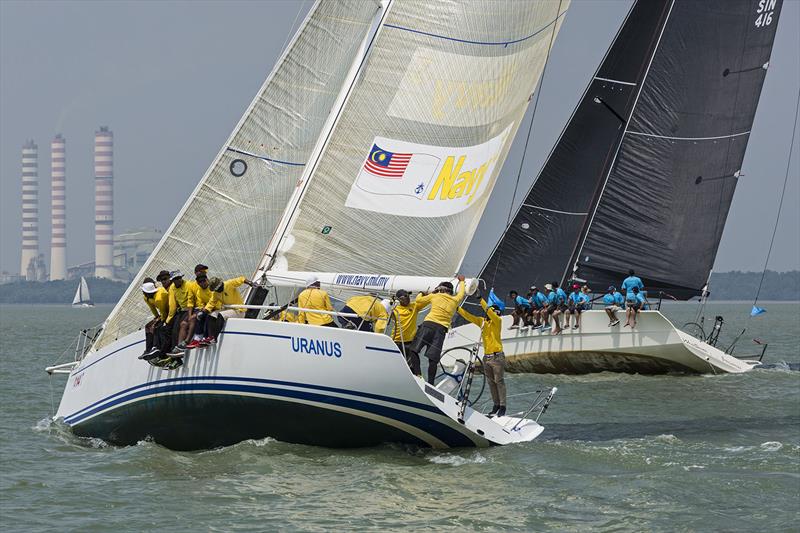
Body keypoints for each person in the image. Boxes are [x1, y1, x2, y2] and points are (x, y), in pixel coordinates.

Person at [457, 295, 506, 417]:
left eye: (491, 311)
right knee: (491, 382)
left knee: (499, 381)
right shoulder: (483, 322)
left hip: (497, 357)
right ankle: (496, 405)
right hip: (487, 357)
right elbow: (469, 316)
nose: (488, 313)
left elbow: (490, 312)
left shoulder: (498, 321)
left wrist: (480, 299)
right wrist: (457, 308)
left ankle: (503, 406)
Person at [413, 275, 466, 384]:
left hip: (428, 325)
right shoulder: (456, 300)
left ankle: (418, 374)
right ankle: (431, 383)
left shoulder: (435, 296)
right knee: (433, 359)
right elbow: (461, 293)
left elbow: (418, 301)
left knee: (413, 350)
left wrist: (423, 293)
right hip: (441, 330)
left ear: (441, 289)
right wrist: (462, 281)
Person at [203, 275, 256, 343]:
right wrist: (203, 312)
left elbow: (241, 279)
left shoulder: (229, 284)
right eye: (216, 289)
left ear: (221, 283)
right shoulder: (216, 293)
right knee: (211, 315)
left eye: (219, 287)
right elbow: (211, 303)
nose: (218, 290)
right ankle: (210, 337)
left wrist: (250, 283)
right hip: (228, 310)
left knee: (221, 315)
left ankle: (214, 338)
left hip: (239, 310)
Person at [391, 289, 425, 376]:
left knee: (415, 366)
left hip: (411, 342)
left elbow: (427, 300)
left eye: (408, 296)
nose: (408, 298)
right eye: (405, 296)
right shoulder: (395, 310)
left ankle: (418, 378)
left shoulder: (414, 306)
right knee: (397, 367)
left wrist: (422, 294)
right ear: (399, 299)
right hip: (397, 342)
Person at [140, 277, 170, 360]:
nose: (142, 292)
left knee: (156, 327)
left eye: (144, 291)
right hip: (163, 313)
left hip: (169, 312)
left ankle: (156, 347)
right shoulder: (146, 297)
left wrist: (160, 319)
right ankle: (148, 349)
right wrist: (156, 317)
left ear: (148, 292)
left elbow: (164, 312)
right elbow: (152, 308)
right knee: (148, 326)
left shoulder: (158, 298)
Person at [165, 271, 191, 356]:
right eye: (176, 279)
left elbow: (193, 301)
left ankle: (180, 348)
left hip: (191, 309)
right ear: (172, 281)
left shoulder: (189, 285)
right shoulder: (172, 287)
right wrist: (168, 319)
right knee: (174, 329)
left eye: (179, 278)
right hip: (182, 310)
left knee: (182, 325)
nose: (178, 280)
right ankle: (174, 350)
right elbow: (172, 305)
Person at [185, 273, 213, 349]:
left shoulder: (212, 288)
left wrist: (206, 309)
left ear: (207, 280)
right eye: (200, 282)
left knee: (208, 316)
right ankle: (198, 338)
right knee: (199, 315)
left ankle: (207, 337)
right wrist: (203, 309)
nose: (202, 283)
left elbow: (215, 301)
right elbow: (200, 304)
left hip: (216, 307)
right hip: (207, 308)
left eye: (204, 281)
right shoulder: (199, 291)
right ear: (198, 283)